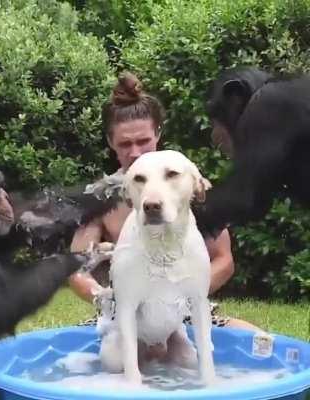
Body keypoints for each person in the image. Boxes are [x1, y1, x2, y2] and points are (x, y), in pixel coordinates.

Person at [68, 71, 260, 334]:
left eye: (144, 141)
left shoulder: (187, 186)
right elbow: (76, 268)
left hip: (185, 309)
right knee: (75, 354)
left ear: (158, 133)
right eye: (125, 143)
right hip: (125, 315)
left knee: (256, 340)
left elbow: (224, 260)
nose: (135, 152)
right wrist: (105, 298)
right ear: (110, 141)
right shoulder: (100, 197)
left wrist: (179, 298)